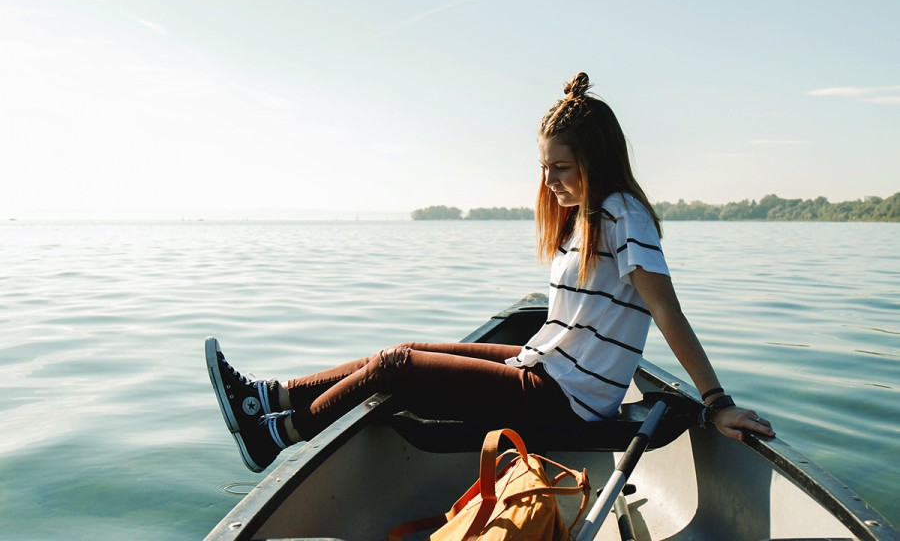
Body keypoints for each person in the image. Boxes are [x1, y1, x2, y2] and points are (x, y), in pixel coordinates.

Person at [205, 72, 776, 473]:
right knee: (402, 351)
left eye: (561, 167)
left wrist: (716, 401)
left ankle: (278, 434)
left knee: (397, 366)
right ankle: (267, 395)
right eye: (544, 167)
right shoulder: (587, 217)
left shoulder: (623, 215)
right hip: (545, 366)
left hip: (566, 397)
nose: (549, 181)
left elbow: (667, 312)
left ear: (596, 161)